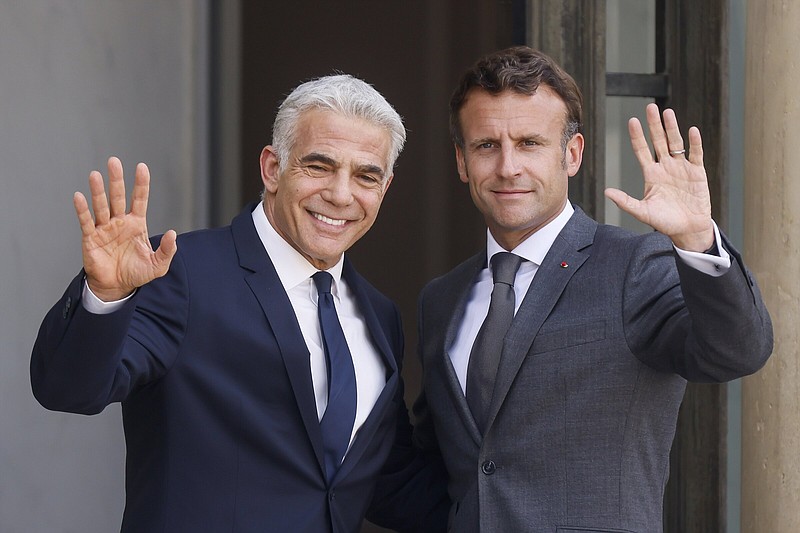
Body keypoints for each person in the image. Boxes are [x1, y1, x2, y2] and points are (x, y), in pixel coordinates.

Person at [31, 74, 447, 533]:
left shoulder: (379, 315)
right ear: (272, 168)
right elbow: (68, 389)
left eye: (366, 175)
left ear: (385, 188)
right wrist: (107, 295)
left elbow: (387, 482)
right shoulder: (179, 273)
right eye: (319, 167)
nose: (341, 194)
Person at [411, 46, 773, 532]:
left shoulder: (634, 268)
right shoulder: (442, 299)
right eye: (486, 146)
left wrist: (697, 239)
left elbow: (737, 352)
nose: (508, 167)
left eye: (530, 143)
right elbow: (439, 471)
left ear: (572, 154)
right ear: (462, 160)